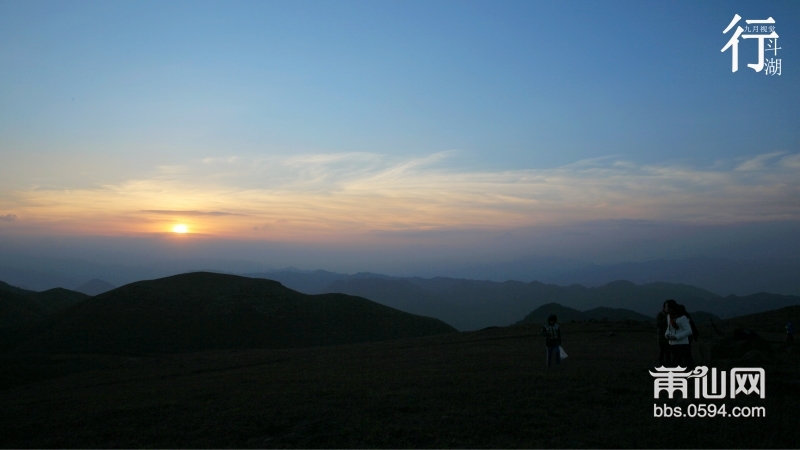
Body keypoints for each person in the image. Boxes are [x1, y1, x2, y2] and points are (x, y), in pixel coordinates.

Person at [664, 300, 694, 369]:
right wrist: (666, 334)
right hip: (672, 343)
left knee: (682, 360)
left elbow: (689, 331)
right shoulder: (669, 316)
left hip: (682, 343)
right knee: (676, 361)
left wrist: (676, 337)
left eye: (666, 306)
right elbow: (669, 327)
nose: (665, 308)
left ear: (671, 308)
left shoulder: (682, 318)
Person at [656, 301, 671, 366]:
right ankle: (661, 365)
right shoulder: (660, 314)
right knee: (662, 351)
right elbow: (658, 324)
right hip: (662, 337)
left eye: (668, 306)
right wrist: (666, 318)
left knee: (668, 352)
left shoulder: (671, 315)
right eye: (666, 306)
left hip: (669, 336)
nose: (667, 308)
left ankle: (668, 364)